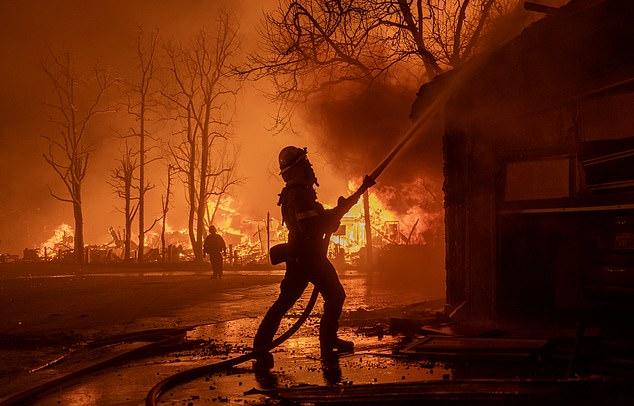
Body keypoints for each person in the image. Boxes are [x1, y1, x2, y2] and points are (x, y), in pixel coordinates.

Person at [253, 146, 374, 368]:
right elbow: (312, 226)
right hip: (308, 255)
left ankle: (260, 345)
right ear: (296, 169)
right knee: (335, 296)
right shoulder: (299, 193)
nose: (309, 166)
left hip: (302, 254)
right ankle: (327, 343)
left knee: (285, 302)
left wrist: (345, 205)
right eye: (304, 163)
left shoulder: (297, 191)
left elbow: (318, 219)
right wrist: (334, 217)